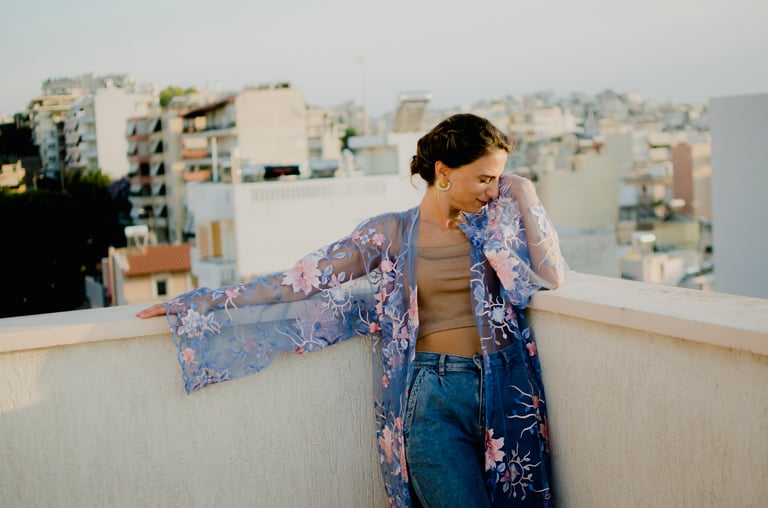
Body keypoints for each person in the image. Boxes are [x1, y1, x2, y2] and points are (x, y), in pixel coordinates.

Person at [138, 113, 566, 507]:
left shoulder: (495, 225)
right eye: (485, 179)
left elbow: (551, 276)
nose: (494, 190)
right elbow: (302, 280)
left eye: (499, 179)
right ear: (443, 173)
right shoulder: (392, 232)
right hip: (433, 398)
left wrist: (524, 191)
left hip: (507, 387)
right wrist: (199, 303)